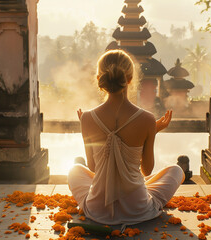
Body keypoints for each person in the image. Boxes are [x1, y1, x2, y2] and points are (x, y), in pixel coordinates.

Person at [68, 50, 184, 227]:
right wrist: (151, 131)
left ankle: (123, 183)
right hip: (138, 208)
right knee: (176, 171)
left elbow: (93, 167)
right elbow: (147, 170)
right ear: (130, 79)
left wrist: (87, 124)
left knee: (75, 170)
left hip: (98, 210)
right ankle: (130, 184)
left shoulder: (87, 118)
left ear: (100, 78)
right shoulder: (147, 119)